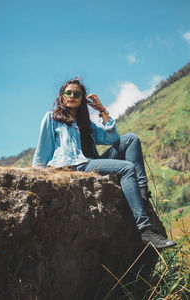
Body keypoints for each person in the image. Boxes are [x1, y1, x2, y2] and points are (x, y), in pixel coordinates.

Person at [32, 78, 176, 249]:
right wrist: (36, 178)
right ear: (61, 97)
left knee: (131, 139)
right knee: (127, 168)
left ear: (82, 99)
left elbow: (112, 138)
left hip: (92, 162)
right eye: (68, 92)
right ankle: (145, 230)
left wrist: (102, 110)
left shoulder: (86, 123)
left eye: (77, 93)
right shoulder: (52, 118)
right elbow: (43, 148)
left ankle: (142, 193)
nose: (72, 95)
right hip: (75, 165)